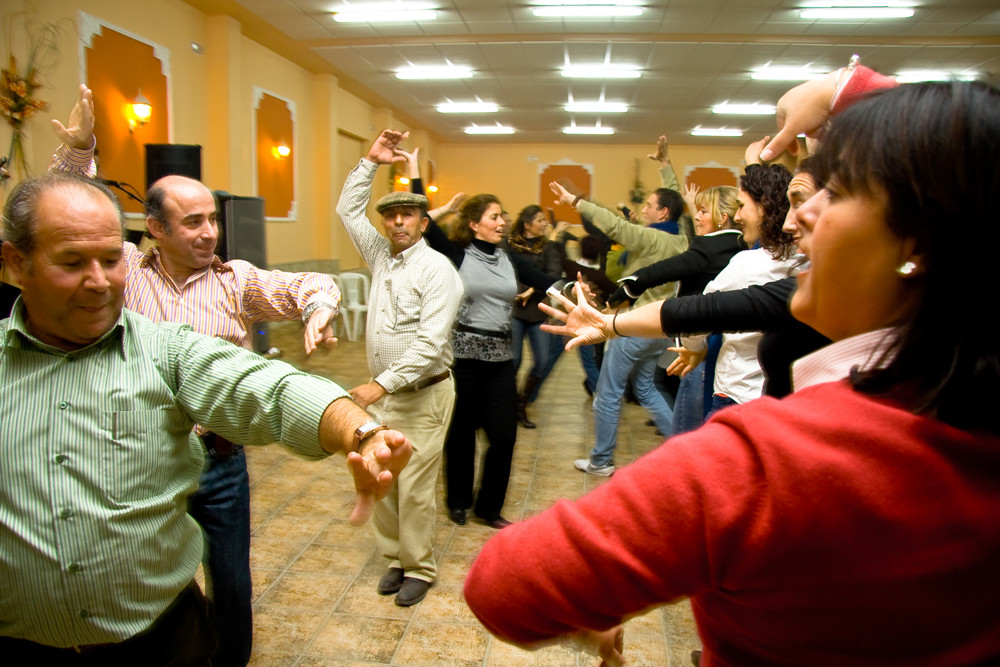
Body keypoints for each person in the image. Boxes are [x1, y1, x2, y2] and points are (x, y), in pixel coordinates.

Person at [464, 79, 1000, 665]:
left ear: (918, 241)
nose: (799, 219)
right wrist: (851, 89)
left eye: (837, 193)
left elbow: (504, 586)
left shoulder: (777, 462)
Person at [0, 171, 411, 663]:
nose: (99, 281)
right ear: (15, 263)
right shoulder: (138, 270)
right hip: (22, 637)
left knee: (232, 579)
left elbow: (267, 388)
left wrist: (360, 431)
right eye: (72, 263)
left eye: (110, 261)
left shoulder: (173, 337)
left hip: (160, 629)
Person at [48, 84, 342, 666]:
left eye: (213, 220)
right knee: (154, 585)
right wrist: (80, 153)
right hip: (144, 457)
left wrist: (320, 308)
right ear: (155, 228)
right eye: (192, 223)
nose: (210, 233)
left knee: (231, 582)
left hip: (221, 461)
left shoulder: (234, 279)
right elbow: (67, 212)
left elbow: (306, 284)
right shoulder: (124, 272)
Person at [335, 129, 463, 607]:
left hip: (425, 394)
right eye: (390, 215)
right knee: (382, 476)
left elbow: (431, 344)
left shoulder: (438, 271)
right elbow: (348, 211)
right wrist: (369, 161)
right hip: (388, 398)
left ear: (424, 222)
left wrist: (377, 385)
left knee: (412, 487)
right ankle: (395, 558)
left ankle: (421, 567)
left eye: (407, 214)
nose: (397, 222)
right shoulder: (382, 259)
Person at [549, 179, 688, 476]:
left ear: (663, 213)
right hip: (659, 328)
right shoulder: (681, 238)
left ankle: (601, 461)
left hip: (632, 326)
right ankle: (684, 448)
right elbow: (672, 205)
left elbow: (613, 226)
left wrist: (576, 202)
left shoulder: (651, 239)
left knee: (608, 393)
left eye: (650, 206)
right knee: (647, 388)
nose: (644, 209)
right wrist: (666, 167)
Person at [422, 192, 519, 529]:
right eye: (494, 217)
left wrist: (576, 293)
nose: (502, 222)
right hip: (464, 359)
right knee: (461, 435)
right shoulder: (457, 255)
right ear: (475, 224)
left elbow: (545, 280)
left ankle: (489, 509)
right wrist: (444, 206)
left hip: (502, 360)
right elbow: (425, 224)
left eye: (502, 216)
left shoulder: (509, 258)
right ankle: (459, 502)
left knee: (504, 436)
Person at [503, 205, 563, 428]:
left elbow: (554, 275)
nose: (544, 223)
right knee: (514, 361)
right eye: (539, 220)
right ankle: (507, 407)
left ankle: (521, 405)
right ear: (527, 224)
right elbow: (504, 269)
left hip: (537, 312)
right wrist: (519, 289)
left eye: (544, 220)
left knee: (542, 362)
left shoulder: (548, 247)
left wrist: (532, 290)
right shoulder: (509, 244)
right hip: (515, 311)